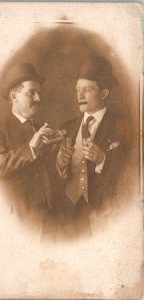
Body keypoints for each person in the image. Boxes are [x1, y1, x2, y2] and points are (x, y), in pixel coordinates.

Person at [55, 56, 131, 238]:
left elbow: (131, 175)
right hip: (67, 210)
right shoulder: (67, 127)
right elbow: (51, 177)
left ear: (104, 94)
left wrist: (103, 159)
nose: (80, 96)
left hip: (103, 212)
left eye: (87, 90)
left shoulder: (122, 127)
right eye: (78, 90)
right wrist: (59, 164)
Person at [0, 63, 57, 235]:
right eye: (31, 93)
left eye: (39, 93)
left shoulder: (41, 128)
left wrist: (61, 160)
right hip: (18, 222)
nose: (38, 98)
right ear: (14, 96)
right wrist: (31, 147)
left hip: (49, 219)